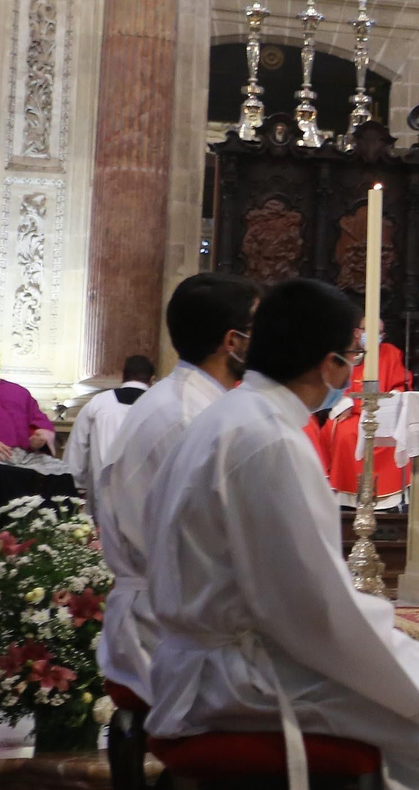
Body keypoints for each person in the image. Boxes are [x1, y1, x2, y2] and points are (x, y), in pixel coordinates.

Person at [144, 278, 419, 790]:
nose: (352, 368)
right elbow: (316, 609)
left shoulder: (228, 416)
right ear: (329, 365)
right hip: (238, 677)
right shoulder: (271, 440)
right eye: (351, 354)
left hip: (208, 659)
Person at [96, 273, 260, 703]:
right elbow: (212, 542)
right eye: (258, 327)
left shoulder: (193, 401)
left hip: (181, 613)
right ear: (233, 341)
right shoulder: (188, 415)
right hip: (172, 629)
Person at [0, 335, 74, 523]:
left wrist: (41, 436)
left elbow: (39, 420)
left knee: (62, 473)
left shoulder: (18, 391)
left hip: (25, 456)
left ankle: (60, 535)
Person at [327, 319, 414, 508]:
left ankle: (389, 500)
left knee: (392, 435)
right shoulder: (344, 351)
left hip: (383, 413)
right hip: (352, 414)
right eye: (371, 331)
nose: (376, 337)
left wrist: (393, 397)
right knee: (345, 434)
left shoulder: (391, 353)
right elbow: (330, 383)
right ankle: (345, 497)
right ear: (357, 332)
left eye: (380, 333)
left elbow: (401, 382)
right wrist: (344, 402)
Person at [64, 354, 155, 514]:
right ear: (151, 379)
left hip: (102, 491)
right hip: (144, 494)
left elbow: (77, 448)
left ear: (122, 375)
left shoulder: (98, 403)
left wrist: (76, 486)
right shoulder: (158, 405)